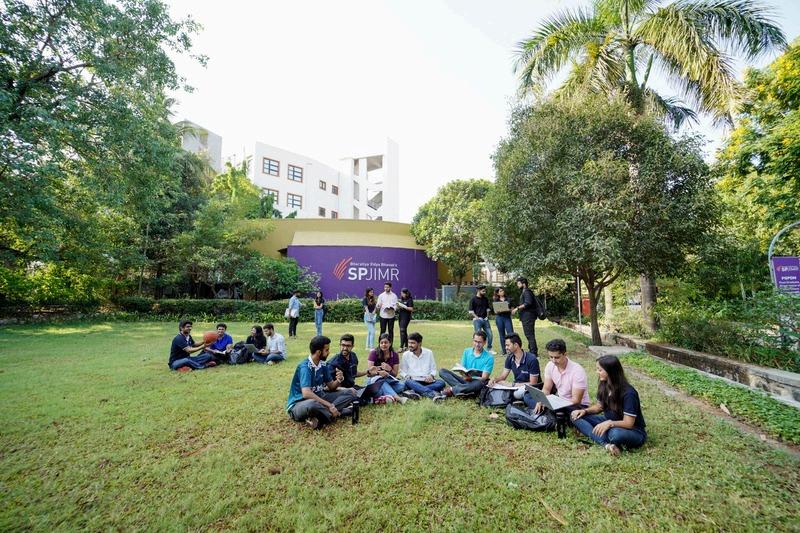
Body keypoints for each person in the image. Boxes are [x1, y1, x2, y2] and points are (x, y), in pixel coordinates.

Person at [571, 355, 647, 455]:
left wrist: (609, 423)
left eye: (600, 370)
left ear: (610, 371)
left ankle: (598, 436)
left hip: (632, 430)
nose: (597, 372)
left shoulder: (629, 393)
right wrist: (585, 411)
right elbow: (600, 406)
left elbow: (629, 423)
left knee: (614, 435)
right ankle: (607, 445)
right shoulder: (604, 384)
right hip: (609, 421)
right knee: (575, 416)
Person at [286, 335, 357, 429]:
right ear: (319, 352)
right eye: (326, 350)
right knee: (312, 404)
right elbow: (306, 394)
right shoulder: (305, 367)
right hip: (300, 403)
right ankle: (340, 412)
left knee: (351, 392)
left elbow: (331, 386)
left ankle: (323, 416)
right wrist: (329, 405)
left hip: (320, 398)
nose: (329, 352)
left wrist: (339, 380)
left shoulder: (323, 365)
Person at [530, 338, 590, 415]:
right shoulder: (550, 365)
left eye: (557, 357)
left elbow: (576, 400)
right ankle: (551, 411)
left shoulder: (577, 371)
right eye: (551, 357)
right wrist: (542, 401)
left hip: (576, 406)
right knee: (528, 396)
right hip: (559, 400)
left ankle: (551, 412)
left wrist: (554, 404)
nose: (553, 360)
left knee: (553, 410)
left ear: (565, 354)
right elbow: (546, 389)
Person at [439, 331, 494, 397]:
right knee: (442, 371)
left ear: (484, 342)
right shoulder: (466, 351)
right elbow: (463, 369)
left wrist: (471, 378)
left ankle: (452, 389)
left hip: (477, 381)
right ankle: (465, 390)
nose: (477, 344)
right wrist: (463, 374)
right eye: (475, 341)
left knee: (479, 384)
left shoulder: (489, 357)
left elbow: (484, 378)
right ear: (472, 340)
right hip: (465, 380)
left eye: (480, 342)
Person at [488, 333, 540, 402]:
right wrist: (495, 379)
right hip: (516, 386)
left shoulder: (532, 359)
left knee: (517, 394)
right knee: (496, 387)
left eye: (508, 345)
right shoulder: (510, 358)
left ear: (516, 345)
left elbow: (533, 383)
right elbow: (503, 376)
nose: (506, 348)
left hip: (531, 388)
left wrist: (513, 385)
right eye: (505, 345)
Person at [399, 332, 446, 401]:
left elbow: (433, 369)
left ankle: (414, 392)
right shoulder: (406, 355)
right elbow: (402, 371)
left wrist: (431, 376)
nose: (410, 345)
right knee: (407, 382)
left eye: (413, 343)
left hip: (426, 381)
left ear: (419, 343)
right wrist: (407, 376)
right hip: (413, 381)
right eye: (409, 343)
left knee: (441, 383)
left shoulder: (429, 353)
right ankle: (433, 394)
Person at [366, 333, 407, 404]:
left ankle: (385, 396)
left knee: (401, 386)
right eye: (381, 343)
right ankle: (398, 398)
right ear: (379, 344)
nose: (383, 344)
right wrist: (379, 373)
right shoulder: (373, 353)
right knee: (381, 382)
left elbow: (395, 374)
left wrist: (389, 369)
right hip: (374, 381)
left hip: (389, 380)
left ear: (390, 343)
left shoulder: (395, 355)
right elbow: (369, 373)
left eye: (386, 342)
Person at [513, 277, 541, 356]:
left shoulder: (527, 292)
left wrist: (517, 308)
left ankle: (533, 353)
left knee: (529, 334)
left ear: (524, 284)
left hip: (528, 316)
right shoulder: (525, 291)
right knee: (529, 334)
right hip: (527, 316)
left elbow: (528, 303)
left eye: (519, 283)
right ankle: (532, 350)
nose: (517, 285)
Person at [469, 285, 494, 353]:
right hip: (477, 321)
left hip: (485, 320)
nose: (484, 292)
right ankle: (478, 349)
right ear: (478, 290)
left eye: (485, 291)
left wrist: (487, 317)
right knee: (478, 336)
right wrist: (477, 318)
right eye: (483, 291)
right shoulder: (473, 299)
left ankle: (489, 349)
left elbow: (488, 309)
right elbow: (471, 311)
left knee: (490, 334)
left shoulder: (485, 299)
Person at [493, 288, 514, 355]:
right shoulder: (496, 300)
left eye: (503, 290)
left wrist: (509, 310)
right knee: (502, 334)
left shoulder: (508, 299)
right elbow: (495, 311)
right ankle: (504, 350)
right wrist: (501, 310)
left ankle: (511, 349)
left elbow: (512, 309)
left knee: (510, 334)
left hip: (507, 318)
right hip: (499, 318)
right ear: (498, 293)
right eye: (501, 291)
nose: (502, 291)